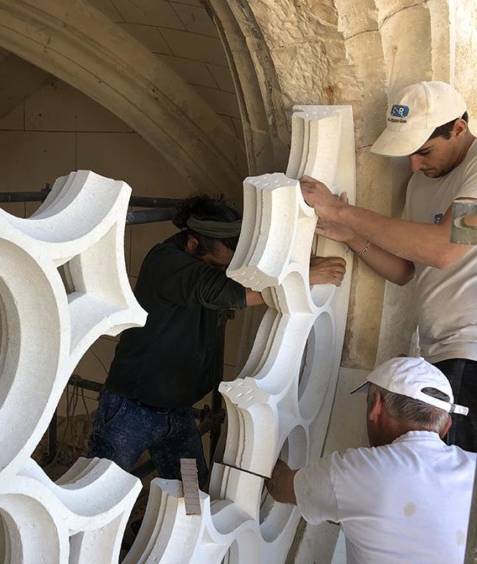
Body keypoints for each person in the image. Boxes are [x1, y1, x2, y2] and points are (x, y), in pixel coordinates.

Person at [88, 195, 346, 487]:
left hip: (178, 414)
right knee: (101, 490)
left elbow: (251, 272)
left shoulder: (203, 255)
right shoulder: (167, 263)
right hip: (130, 411)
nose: (226, 268)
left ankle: (172, 529)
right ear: (193, 244)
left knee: (191, 495)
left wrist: (303, 263)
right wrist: (305, 277)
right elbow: (228, 291)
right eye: (217, 263)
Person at [300, 81, 477, 451]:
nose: (414, 164)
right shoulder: (420, 184)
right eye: (408, 153)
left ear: (458, 129)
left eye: (424, 151)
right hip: (442, 355)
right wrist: (350, 236)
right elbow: (405, 270)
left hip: (471, 352)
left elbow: (445, 248)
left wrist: (339, 209)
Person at [266, 356, 476, 564]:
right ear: (446, 426)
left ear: (375, 405)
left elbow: (280, 486)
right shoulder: (472, 465)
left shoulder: (356, 472)